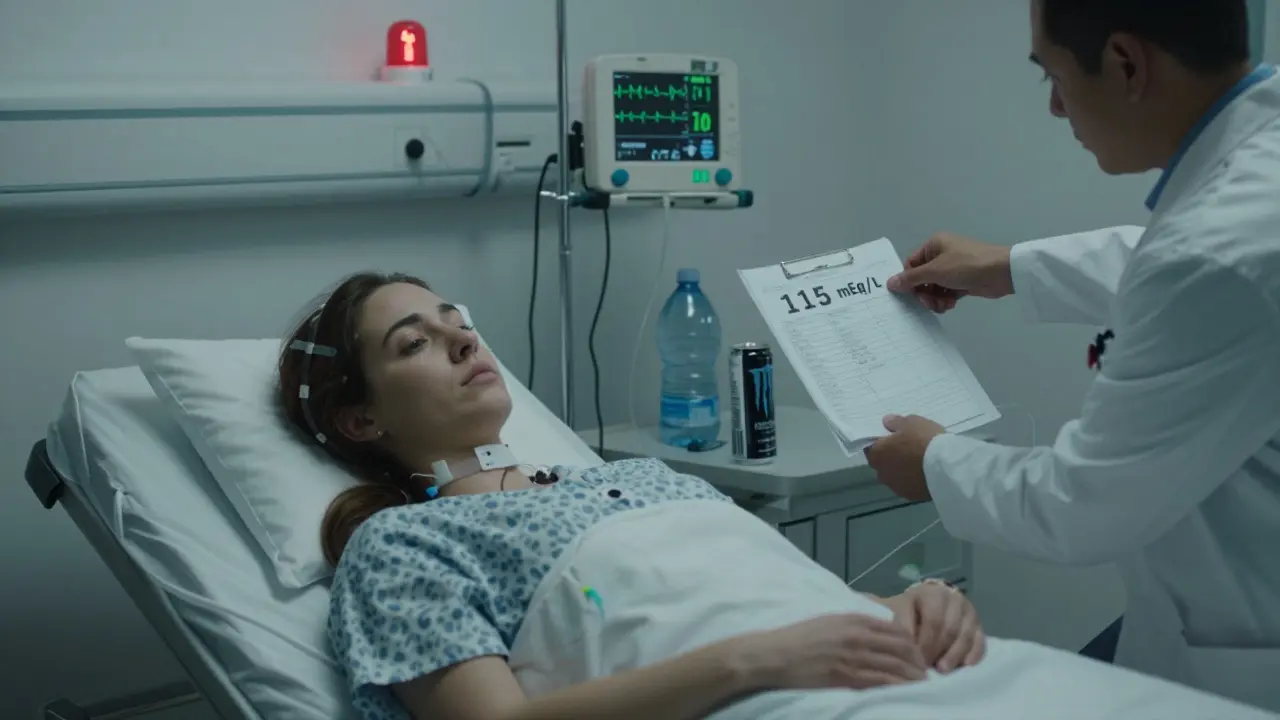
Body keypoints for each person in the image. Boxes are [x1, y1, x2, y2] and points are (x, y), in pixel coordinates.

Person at [277, 272, 987, 720]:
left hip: (904, 677)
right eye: (415, 344)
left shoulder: (649, 479)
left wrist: (910, 605)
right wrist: (756, 661)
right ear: (362, 419)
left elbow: (782, 601)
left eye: (455, 320)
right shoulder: (404, 544)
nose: (463, 341)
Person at [864, 0, 1280, 711]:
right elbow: (1186, 271)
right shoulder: (1255, 166)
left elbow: (1086, 505)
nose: (1057, 108)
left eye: (1052, 76)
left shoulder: (1216, 255)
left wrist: (935, 464)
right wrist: (1012, 267)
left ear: (1126, 64)